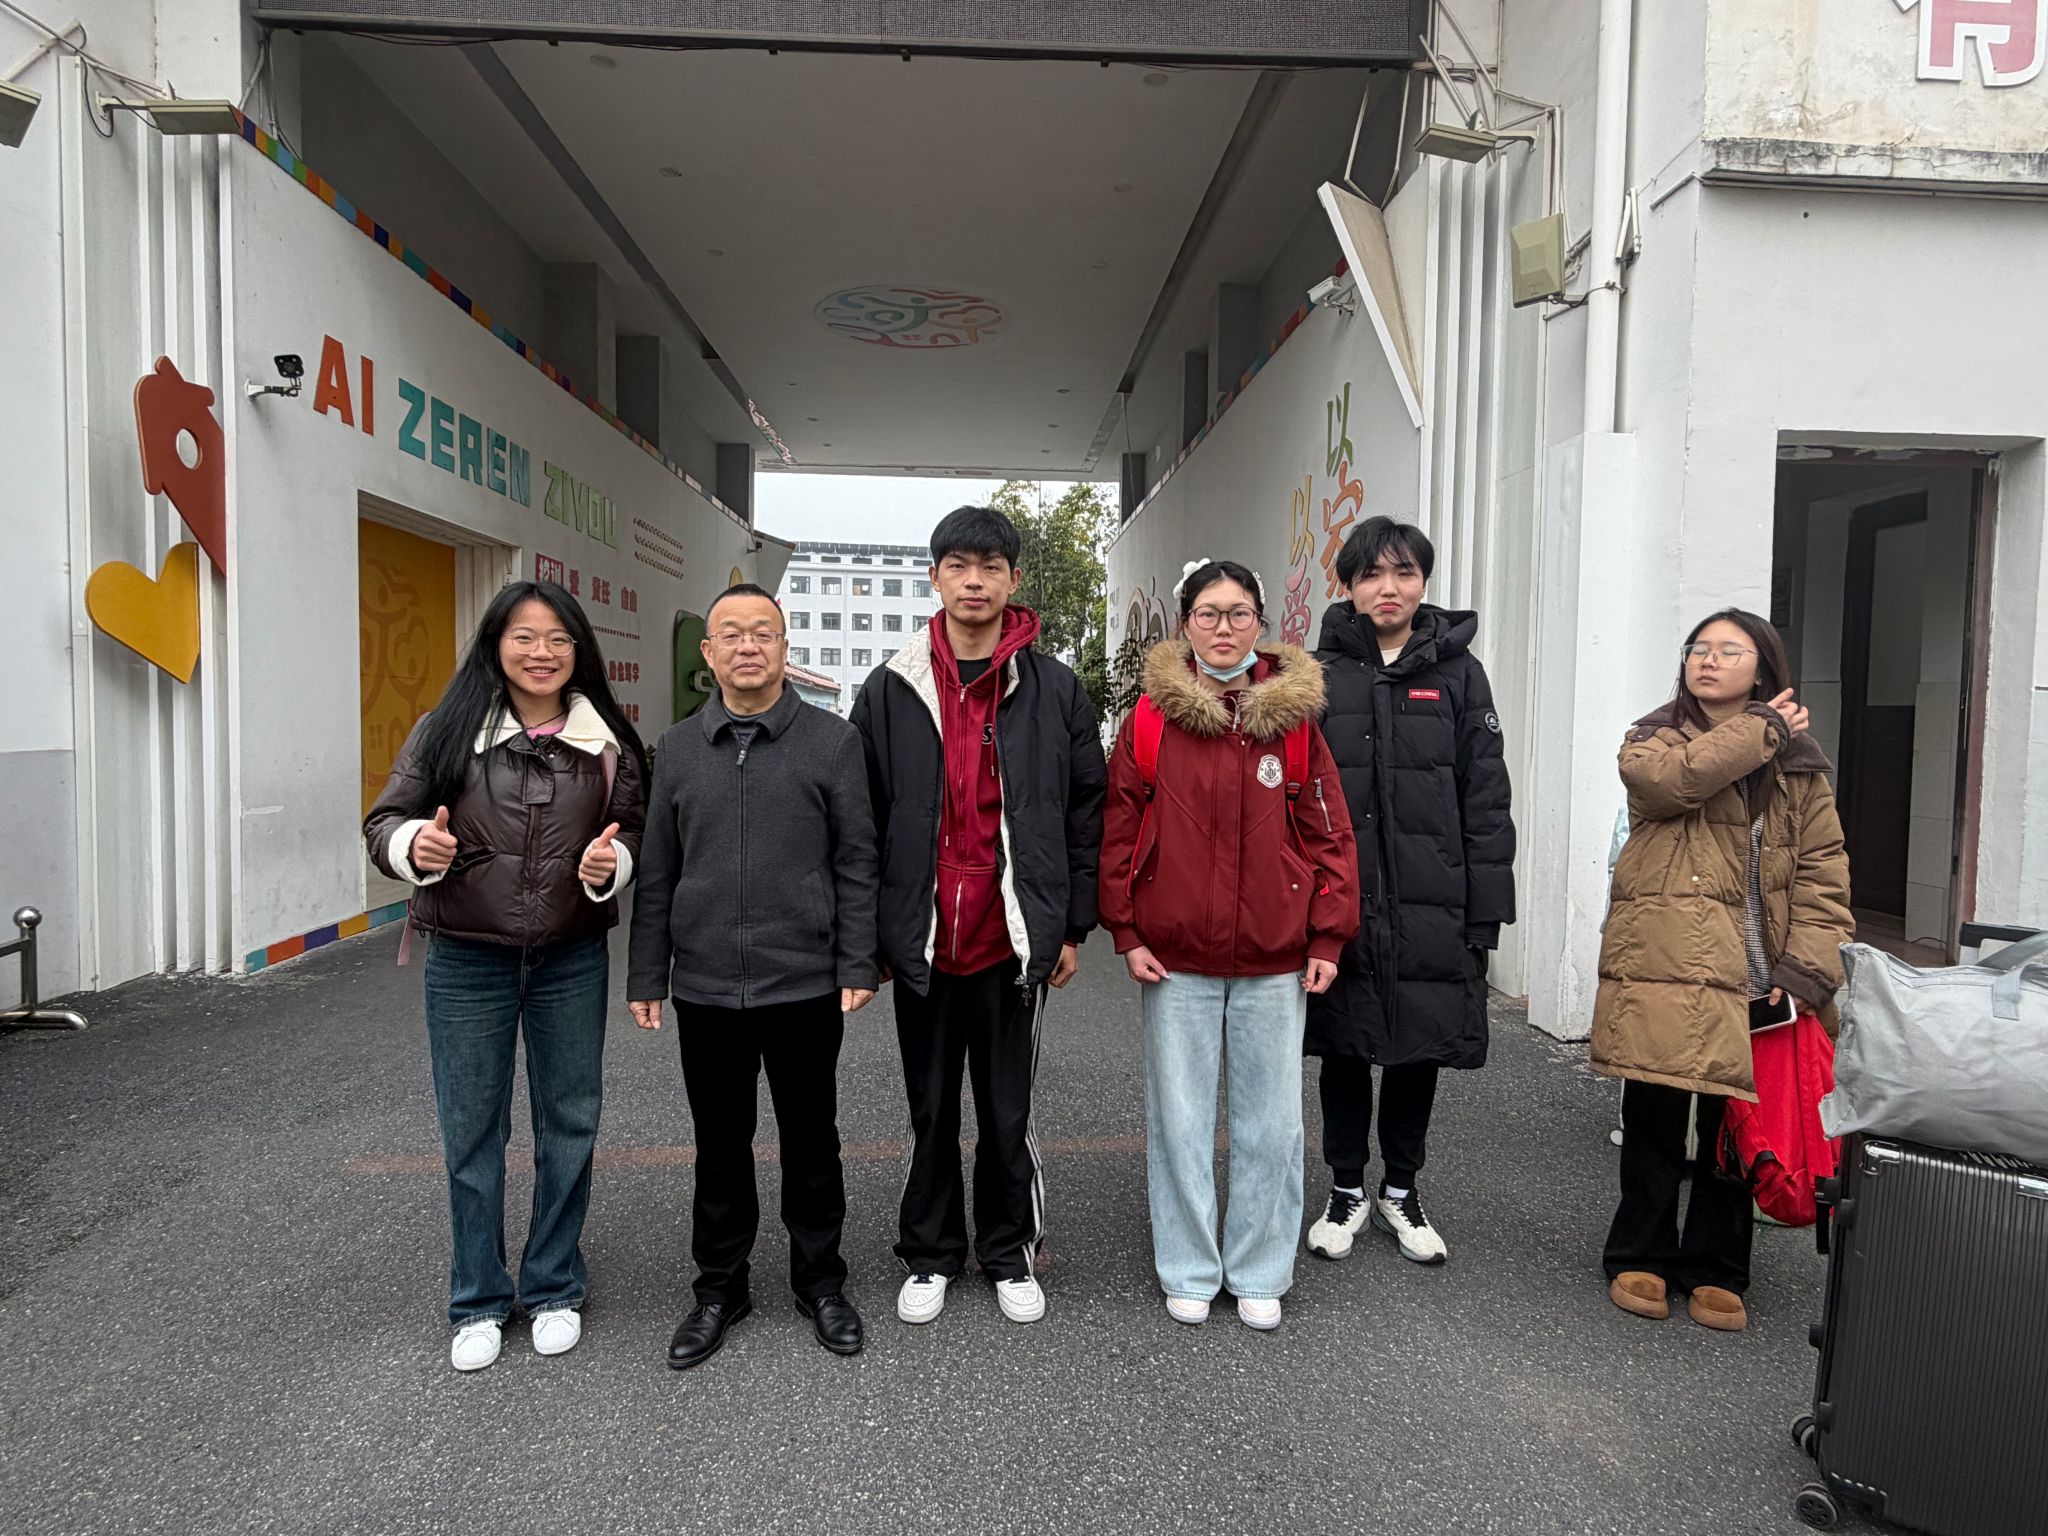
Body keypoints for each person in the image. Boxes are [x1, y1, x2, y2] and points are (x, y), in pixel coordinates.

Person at [364, 580, 646, 1373]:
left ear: (578, 649)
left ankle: (554, 1285)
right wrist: (414, 845)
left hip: (571, 956)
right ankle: (479, 1299)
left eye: (558, 638)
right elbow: (384, 822)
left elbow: (639, 832)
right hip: (466, 958)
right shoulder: (447, 729)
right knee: (472, 1130)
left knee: (570, 1123)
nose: (541, 653)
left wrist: (614, 865)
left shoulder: (609, 741)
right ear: (495, 643)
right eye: (524, 636)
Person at [851, 505, 1106, 1328]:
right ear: (934, 577)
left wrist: (1070, 927)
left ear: (1013, 579)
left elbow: (1085, 811)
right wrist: (874, 934)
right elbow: (861, 819)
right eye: (958, 565)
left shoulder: (1054, 688)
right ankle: (929, 1254)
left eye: (990, 566)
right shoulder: (892, 687)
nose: (974, 581)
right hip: (924, 940)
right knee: (930, 1109)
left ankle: (1007, 1251)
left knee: (1006, 1111)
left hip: (1011, 938)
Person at [1098, 559, 1359, 1330]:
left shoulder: (1294, 722)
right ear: (1186, 623)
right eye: (1208, 613)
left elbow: (1330, 834)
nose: (1223, 627)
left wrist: (1327, 935)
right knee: (1179, 1120)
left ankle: (1259, 1269)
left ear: (1260, 623)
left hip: (1275, 954)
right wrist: (1126, 928)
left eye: (1239, 613)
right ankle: (1187, 1266)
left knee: (1271, 1124)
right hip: (1173, 955)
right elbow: (1119, 828)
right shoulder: (1151, 719)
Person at [628, 583, 880, 1369]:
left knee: (812, 1140)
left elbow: (857, 860)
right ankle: (719, 1289)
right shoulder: (676, 749)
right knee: (719, 1145)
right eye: (731, 634)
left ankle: (821, 1282)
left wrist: (857, 959)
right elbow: (658, 871)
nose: (748, 646)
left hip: (804, 981)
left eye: (763, 633)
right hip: (706, 987)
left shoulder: (833, 742)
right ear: (709, 654)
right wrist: (647, 974)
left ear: (784, 647)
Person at [1594, 608, 1851, 1333]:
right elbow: (1669, 786)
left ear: (1763, 669)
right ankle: (1639, 1253)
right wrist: (1763, 730)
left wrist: (1806, 973)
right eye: (1698, 649)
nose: (1707, 660)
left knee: (1734, 1125)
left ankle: (1717, 1265)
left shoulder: (1800, 765)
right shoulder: (1654, 739)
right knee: (1654, 1114)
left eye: (1728, 651)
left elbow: (1824, 873)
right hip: (1665, 963)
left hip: (1759, 971)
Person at [1304, 518, 1515, 1268]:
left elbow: (1486, 798)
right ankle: (1345, 1189)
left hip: (1434, 897)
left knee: (1416, 1047)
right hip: (1344, 897)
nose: (1387, 588)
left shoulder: (1459, 674)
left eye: (1403, 573)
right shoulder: (1317, 675)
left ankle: (1401, 1189)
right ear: (1348, 586)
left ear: (1423, 582)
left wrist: (1485, 913)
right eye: (1371, 575)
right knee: (1343, 1046)